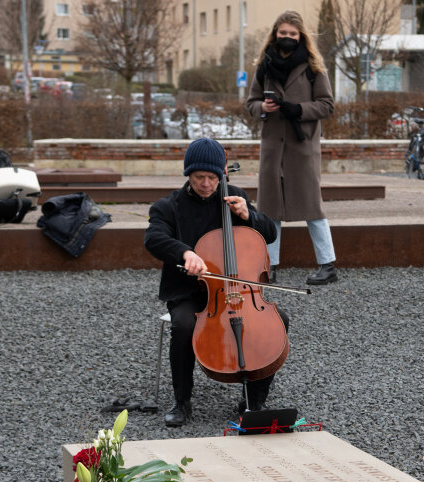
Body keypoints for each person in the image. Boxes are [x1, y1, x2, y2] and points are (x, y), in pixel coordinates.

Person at [144, 137, 285, 427]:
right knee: (183, 325)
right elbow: (153, 238)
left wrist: (249, 216)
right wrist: (184, 252)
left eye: (212, 177)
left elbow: (269, 233)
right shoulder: (169, 206)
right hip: (188, 292)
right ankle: (182, 401)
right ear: (188, 175)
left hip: (239, 291)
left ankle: (254, 400)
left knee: (279, 319)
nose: (207, 184)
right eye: (199, 178)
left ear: (221, 174)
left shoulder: (234, 197)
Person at [246, 10, 337, 286]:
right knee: (270, 209)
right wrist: (263, 107)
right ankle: (269, 267)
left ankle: (328, 265)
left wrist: (297, 109)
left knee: (313, 209)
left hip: (302, 148)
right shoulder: (264, 65)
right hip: (273, 148)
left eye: (292, 34)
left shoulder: (313, 67)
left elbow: (327, 105)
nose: (287, 38)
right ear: (275, 34)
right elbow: (251, 103)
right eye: (282, 33)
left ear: (301, 37)